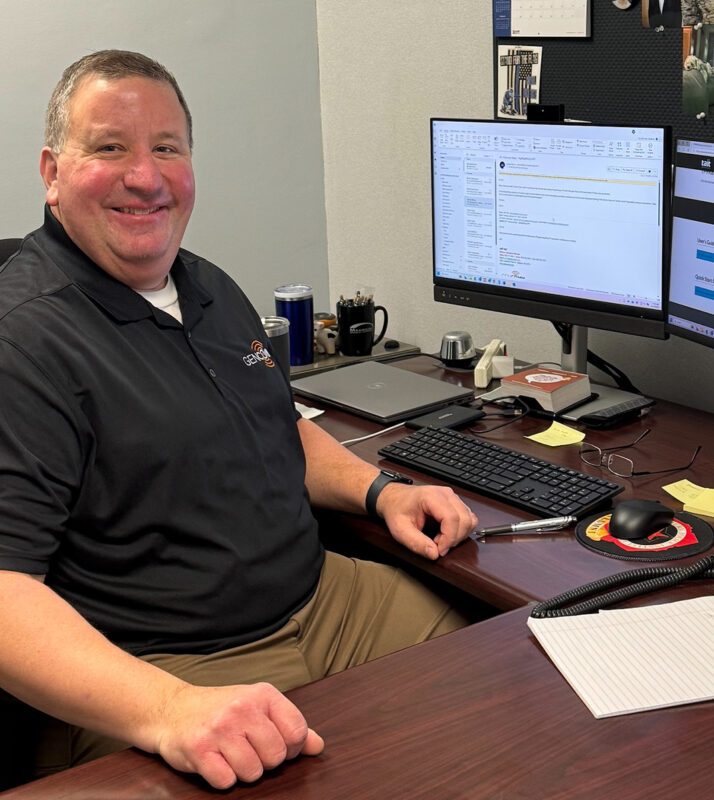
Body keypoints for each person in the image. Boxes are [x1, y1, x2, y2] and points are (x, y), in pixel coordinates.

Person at [0, 50, 478, 790]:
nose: (145, 176)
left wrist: (382, 492)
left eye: (167, 148)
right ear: (51, 172)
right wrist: (170, 711)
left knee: (512, 685)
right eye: (109, 148)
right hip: (171, 664)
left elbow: (277, 425)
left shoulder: (206, 285)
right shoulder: (24, 337)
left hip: (330, 603)